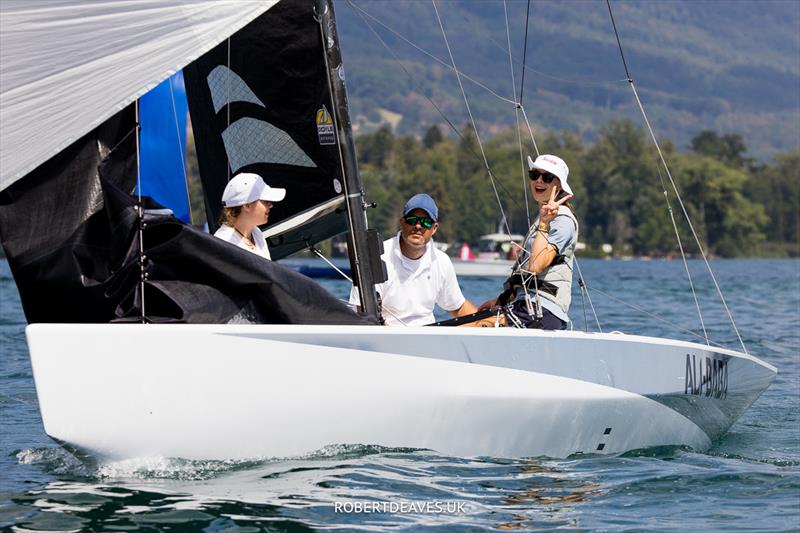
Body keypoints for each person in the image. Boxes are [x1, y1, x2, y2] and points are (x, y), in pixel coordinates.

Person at [480, 154, 578, 330]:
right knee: (475, 317)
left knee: (475, 326)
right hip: (527, 305)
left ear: (559, 185)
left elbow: (536, 266)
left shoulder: (562, 220)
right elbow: (526, 278)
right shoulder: (545, 217)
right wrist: (500, 300)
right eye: (534, 175)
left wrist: (544, 222)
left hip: (543, 311)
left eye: (546, 177)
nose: (539, 180)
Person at [350, 193, 477, 326]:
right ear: (402, 222)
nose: (418, 226)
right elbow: (362, 311)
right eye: (412, 219)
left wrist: (489, 323)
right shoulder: (378, 256)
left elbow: (457, 308)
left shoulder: (442, 261)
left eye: (426, 222)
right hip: (385, 336)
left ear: (434, 228)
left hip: (427, 339)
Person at [214, 172, 285, 260]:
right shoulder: (223, 244)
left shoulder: (256, 232)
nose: (271, 205)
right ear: (247, 205)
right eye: (265, 201)